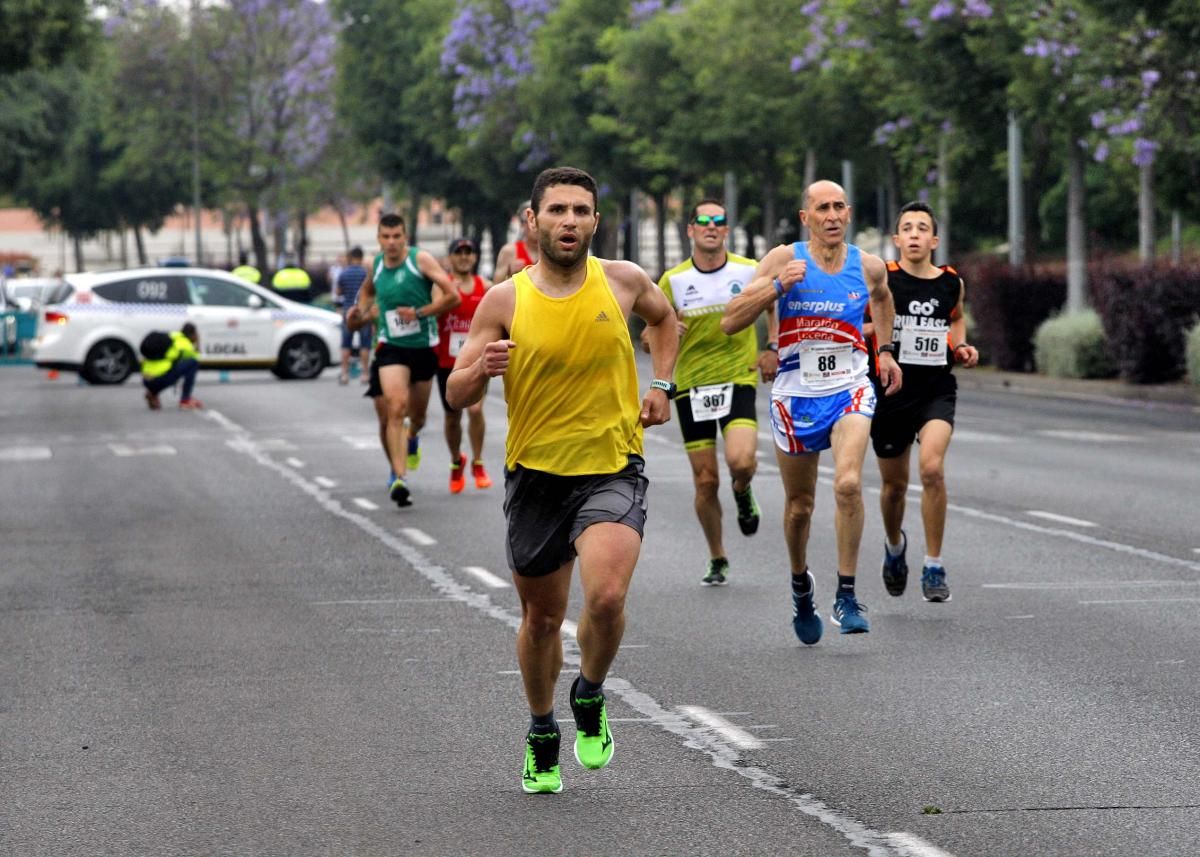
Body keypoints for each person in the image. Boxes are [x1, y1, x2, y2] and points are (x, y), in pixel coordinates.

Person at [446, 166, 678, 794]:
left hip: (611, 467)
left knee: (605, 598)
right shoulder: (504, 300)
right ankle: (543, 728)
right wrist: (481, 370)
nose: (569, 221)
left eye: (580, 210)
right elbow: (455, 387)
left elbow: (666, 320)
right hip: (537, 479)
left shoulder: (624, 281)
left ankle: (591, 693)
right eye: (556, 211)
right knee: (542, 620)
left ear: (595, 221)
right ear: (533, 221)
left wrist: (660, 384)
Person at [721, 180, 901, 643]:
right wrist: (778, 287)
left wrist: (885, 352)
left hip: (849, 387)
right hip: (797, 393)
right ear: (807, 218)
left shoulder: (869, 265)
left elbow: (882, 297)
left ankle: (847, 594)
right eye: (823, 208)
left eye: (840, 206)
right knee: (800, 507)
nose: (833, 215)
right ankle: (801, 586)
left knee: (846, 483)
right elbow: (731, 319)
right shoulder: (784, 259)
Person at [653, 199, 777, 586]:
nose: (710, 226)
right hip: (691, 384)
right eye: (702, 221)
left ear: (726, 230)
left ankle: (742, 490)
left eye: (718, 221)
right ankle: (718, 556)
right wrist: (662, 332)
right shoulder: (671, 281)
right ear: (690, 230)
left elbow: (771, 304)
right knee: (705, 480)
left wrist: (772, 346)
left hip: (737, 376)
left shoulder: (748, 270)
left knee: (740, 461)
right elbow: (652, 332)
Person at [868, 201, 979, 603]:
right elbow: (856, 322)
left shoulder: (951, 282)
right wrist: (885, 331)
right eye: (907, 228)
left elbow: (955, 318)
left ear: (934, 239)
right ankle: (895, 546)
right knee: (894, 487)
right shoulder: (882, 279)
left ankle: (934, 564)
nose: (914, 234)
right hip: (891, 391)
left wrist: (961, 345)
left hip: (935, 388)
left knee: (931, 469)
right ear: (896, 239)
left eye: (922, 228)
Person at [347, 213, 460, 507]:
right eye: (386, 237)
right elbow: (368, 292)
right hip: (390, 345)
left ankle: (412, 436)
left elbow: (452, 296)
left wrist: (421, 313)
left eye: (397, 236)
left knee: (418, 417)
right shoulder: (375, 264)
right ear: (379, 239)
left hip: (423, 345)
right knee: (395, 408)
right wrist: (359, 311)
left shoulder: (419, 260)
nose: (392, 242)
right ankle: (400, 478)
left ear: (405, 237)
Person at [435, 237, 493, 493]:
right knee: (452, 416)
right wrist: (449, 297)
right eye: (459, 252)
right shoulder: (442, 287)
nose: (464, 257)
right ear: (450, 258)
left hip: (477, 361)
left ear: (475, 257)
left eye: (469, 252)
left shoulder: (486, 287)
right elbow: (433, 312)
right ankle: (457, 460)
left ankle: (478, 463)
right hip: (446, 361)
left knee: (475, 410)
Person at [142, 322, 203, 410]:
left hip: (146, 378)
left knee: (171, 365)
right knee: (193, 363)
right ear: (193, 334)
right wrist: (198, 343)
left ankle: (153, 392)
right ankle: (185, 400)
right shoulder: (185, 344)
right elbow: (196, 357)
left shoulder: (172, 335)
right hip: (158, 379)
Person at [335, 247, 370, 385]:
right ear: (361, 257)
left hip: (347, 312)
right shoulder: (366, 274)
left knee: (346, 344)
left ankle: (344, 374)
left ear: (351, 257)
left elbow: (338, 292)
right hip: (363, 313)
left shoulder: (344, 274)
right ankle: (365, 374)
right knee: (365, 345)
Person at [492, 200, 540, 280]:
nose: (533, 225)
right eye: (528, 221)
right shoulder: (509, 251)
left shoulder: (553, 251)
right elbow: (496, 286)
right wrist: (510, 275)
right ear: (521, 224)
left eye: (536, 220)